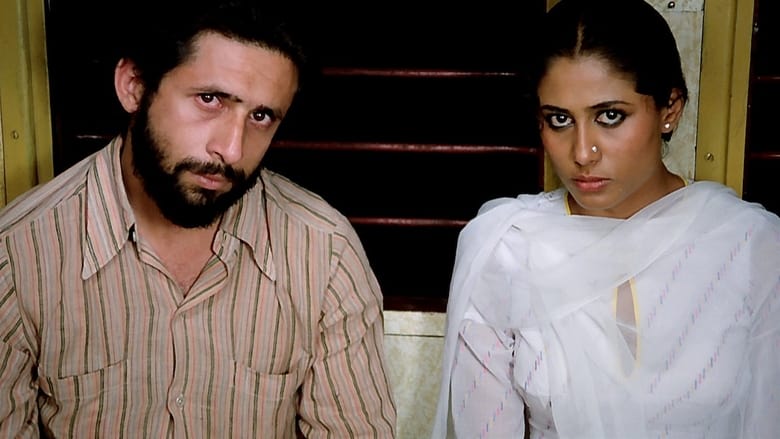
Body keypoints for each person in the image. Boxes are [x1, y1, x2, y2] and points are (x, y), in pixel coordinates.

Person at [0, 1, 397, 437]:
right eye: (210, 100)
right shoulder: (17, 255)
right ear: (134, 86)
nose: (231, 149)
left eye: (261, 116)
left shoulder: (325, 252)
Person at [431, 0, 780, 437]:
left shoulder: (749, 246)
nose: (582, 153)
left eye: (610, 116)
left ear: (670, 108)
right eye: (559, 119)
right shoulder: (506, 247)